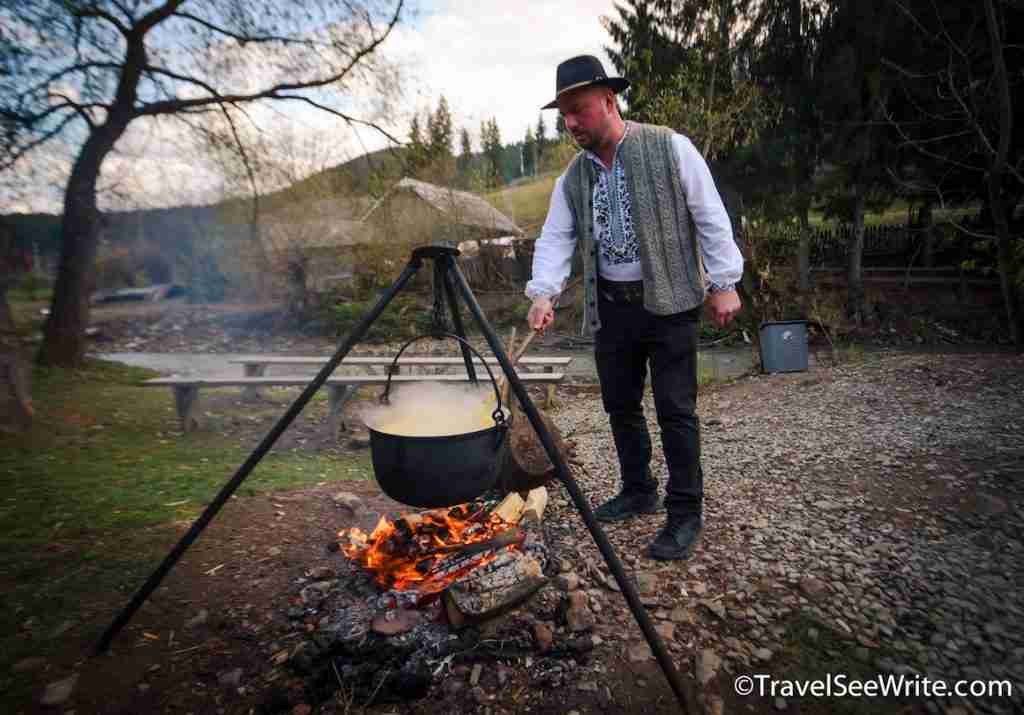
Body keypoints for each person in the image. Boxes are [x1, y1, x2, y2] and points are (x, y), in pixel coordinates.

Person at [525, 55, 743, 561]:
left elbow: (709, 214)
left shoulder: (669, 147)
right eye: (564, 116)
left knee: (675, 411)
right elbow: (555, 237)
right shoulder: (573, 178)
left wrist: (724, 281)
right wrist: (543, 292)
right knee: (620, 407)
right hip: (612, 311)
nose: (572, 123)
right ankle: (639, 489)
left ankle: (685, 513)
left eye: (579, 110)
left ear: (608, 100)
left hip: (669, 304)